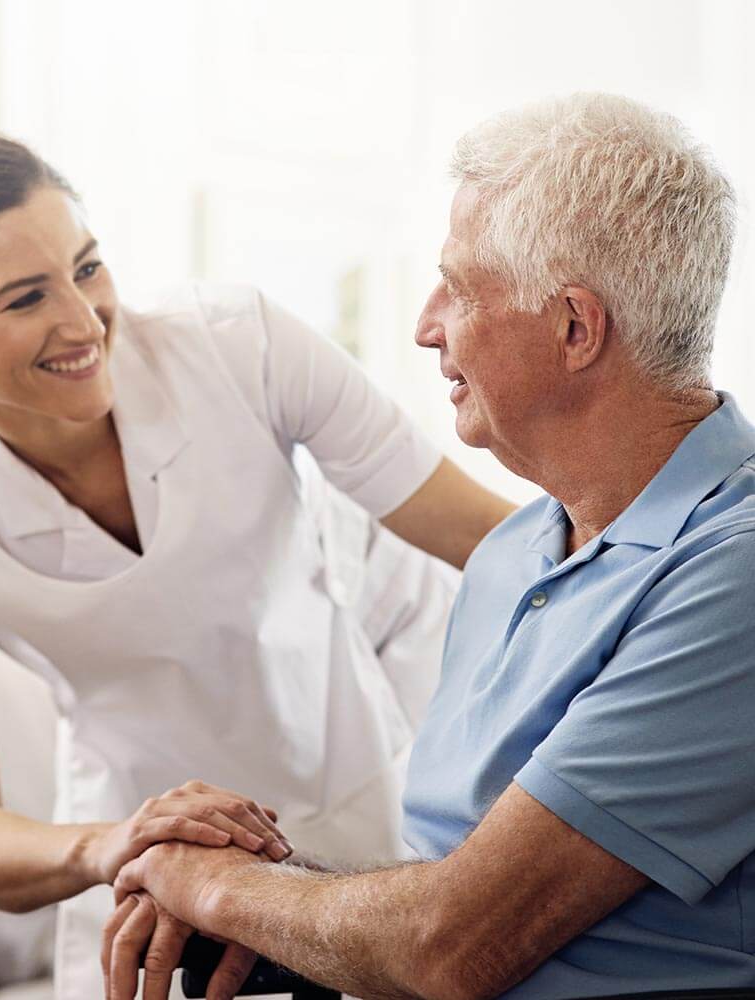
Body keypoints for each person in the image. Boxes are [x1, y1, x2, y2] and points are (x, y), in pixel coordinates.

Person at [0, 131, 511, 999]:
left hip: (354, 805)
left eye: (87, 268)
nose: (82, 322)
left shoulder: (236, 344)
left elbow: (496, 542)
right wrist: (112, 844)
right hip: (153, 876)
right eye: (26, 298)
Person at [104, 92, 755, 1000]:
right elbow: (450, 884)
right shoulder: (510, 555)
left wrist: (213, 883)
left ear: (575, 326)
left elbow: (455, 944)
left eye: (461, 287)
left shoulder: (734, 574)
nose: (425, 323)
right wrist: (239, 880)